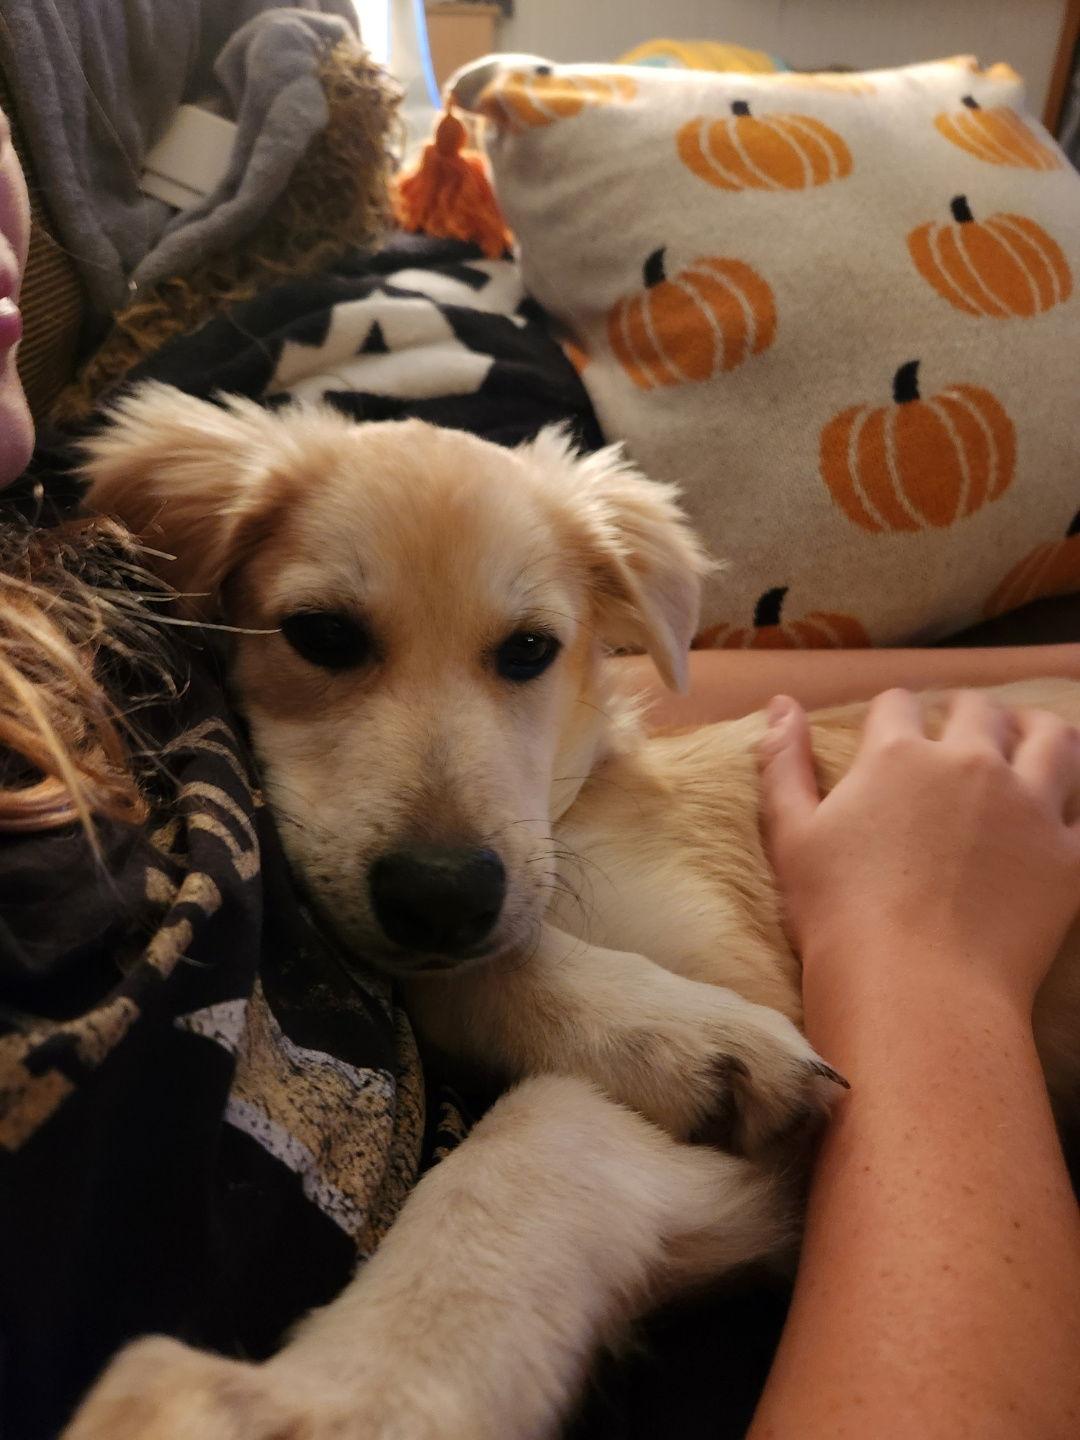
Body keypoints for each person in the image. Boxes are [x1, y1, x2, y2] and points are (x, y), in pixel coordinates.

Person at [2, 77, 1080, 1435]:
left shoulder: (591, 797)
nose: (443, 811)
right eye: (329, 637)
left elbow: (777, 1094)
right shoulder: (166, 561)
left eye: (521, 652)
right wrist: (926, 973)